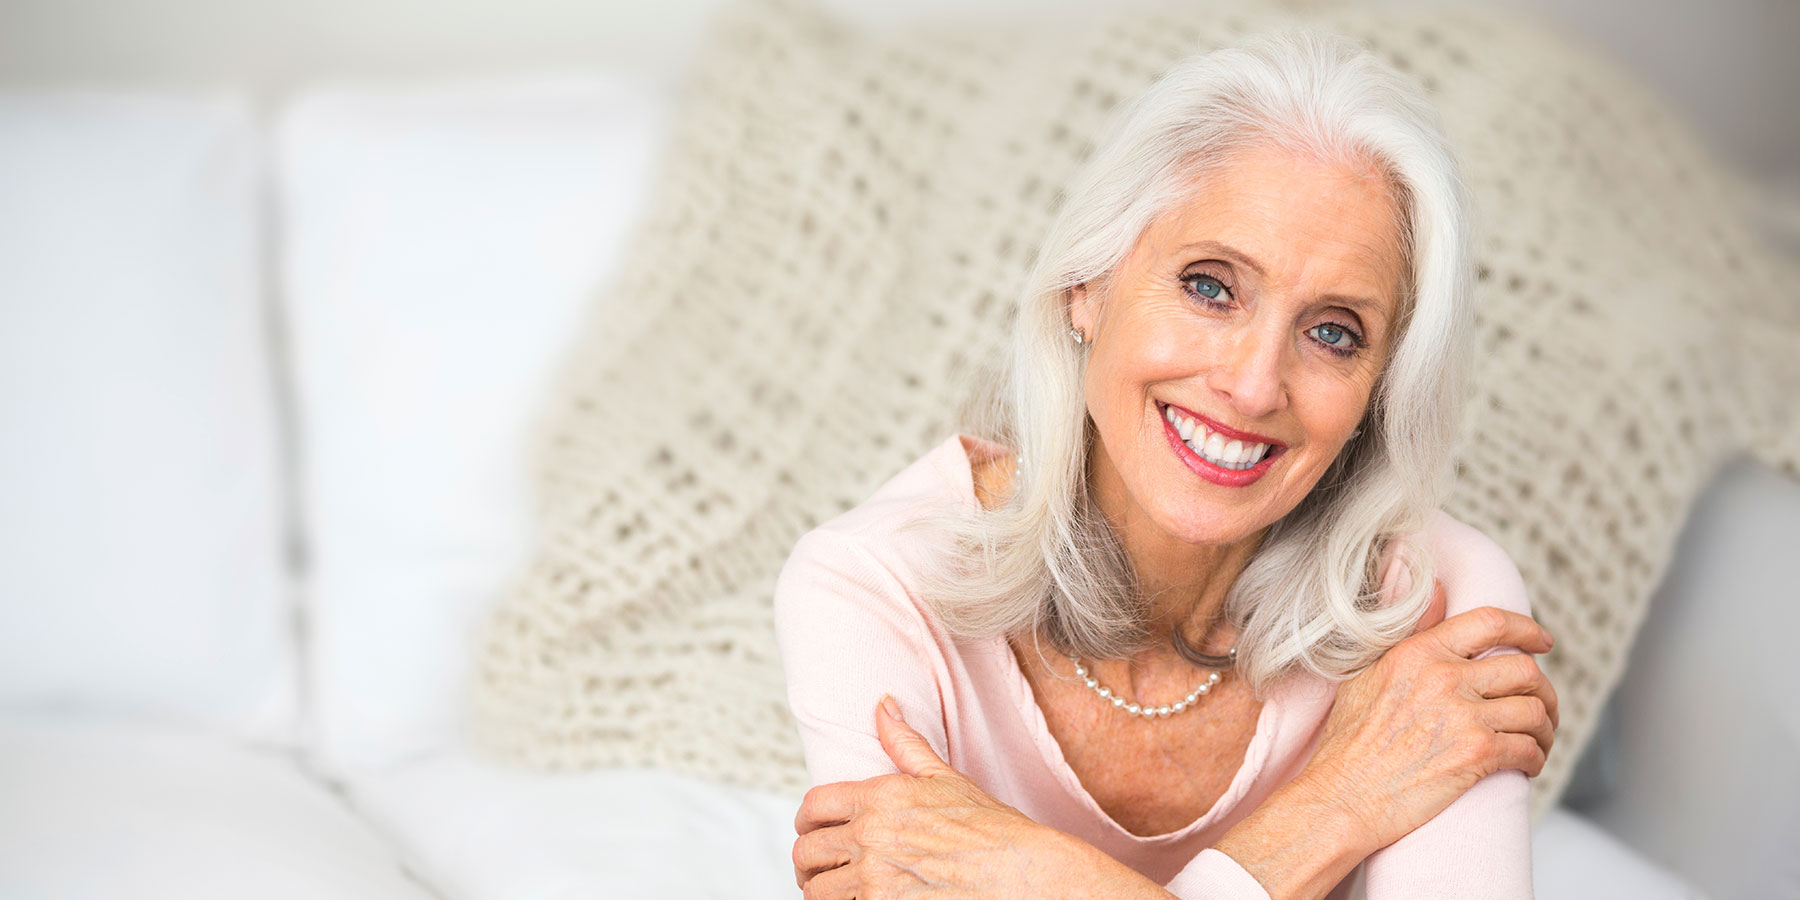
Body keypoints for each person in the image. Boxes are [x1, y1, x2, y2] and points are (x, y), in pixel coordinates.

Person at [773, 28, 1559, 900]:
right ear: (1088, 285)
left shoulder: (1437, 600)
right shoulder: (872, 586)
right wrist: (1337, 807)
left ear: (1380, 391)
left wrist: (1030, 874)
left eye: (1333, 332)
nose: (1255, 385)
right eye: (1210, 285)